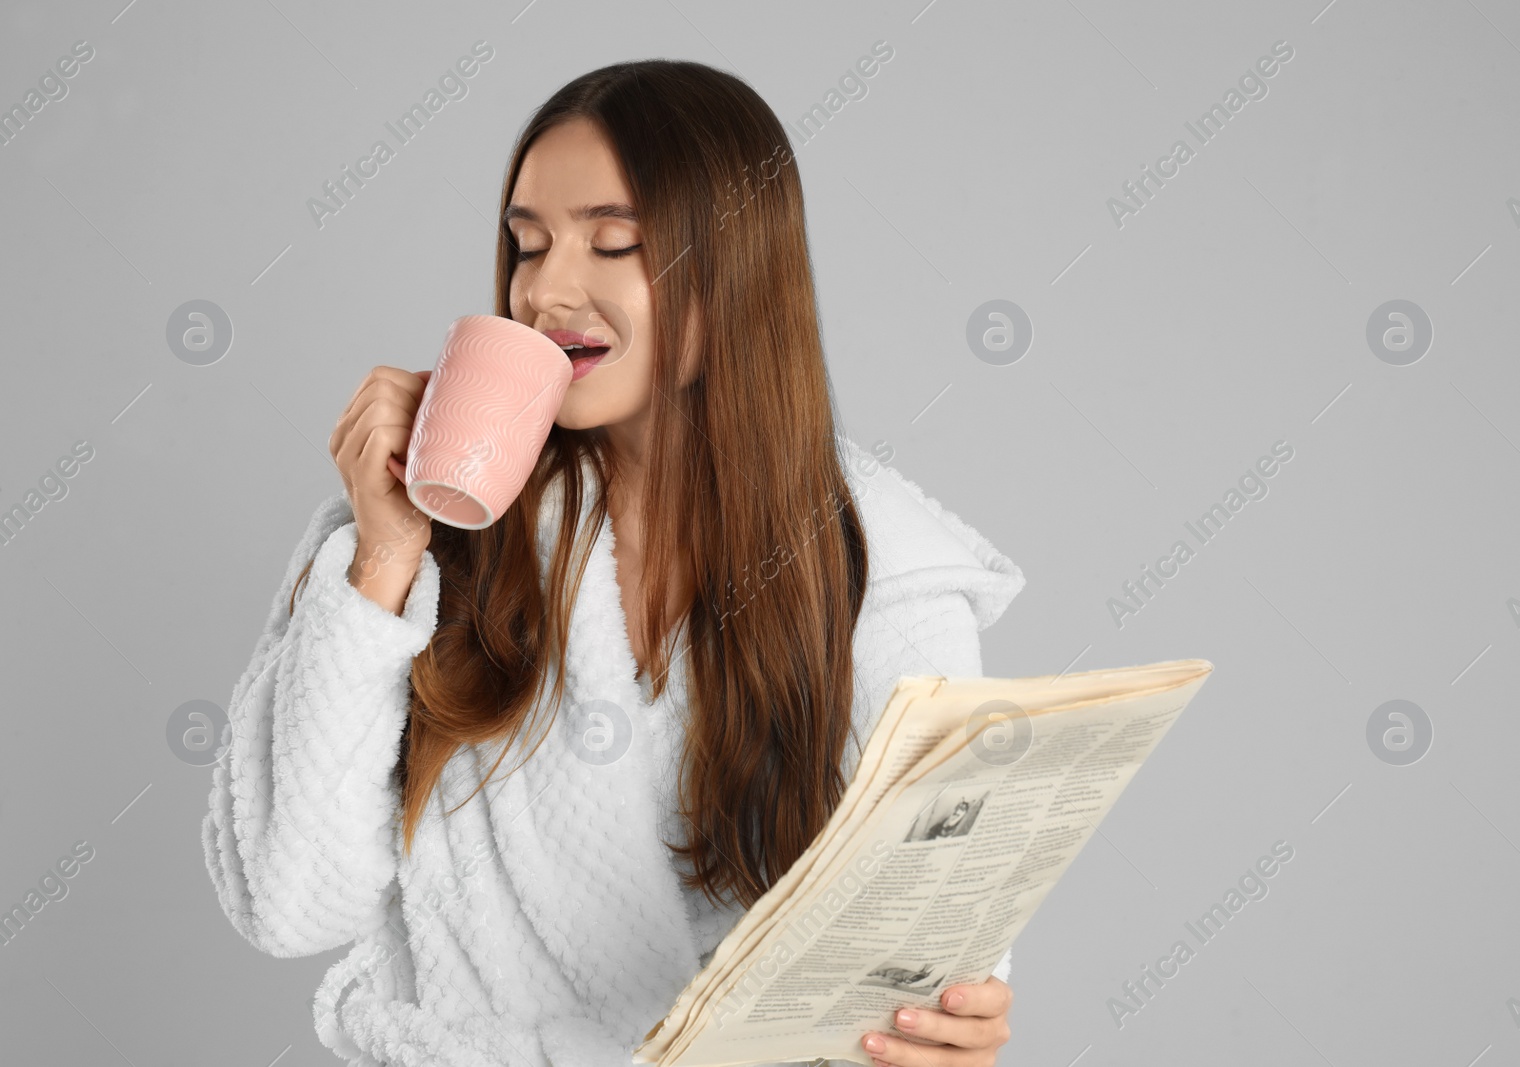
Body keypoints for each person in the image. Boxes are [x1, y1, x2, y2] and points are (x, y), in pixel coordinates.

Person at [201, 59, 1025, 1067]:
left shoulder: (879, 567)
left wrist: (939, 1028)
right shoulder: (415, 542)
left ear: (735, 273)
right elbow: (285, 902)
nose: (545, 289)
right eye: (525, 245)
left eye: (614, 241)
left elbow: (927, 938)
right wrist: (383, 552)